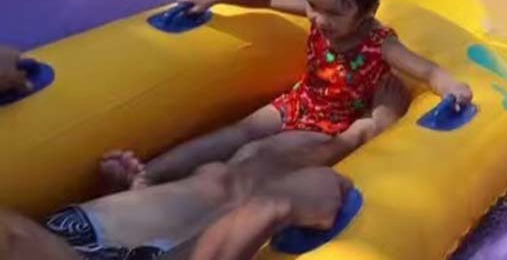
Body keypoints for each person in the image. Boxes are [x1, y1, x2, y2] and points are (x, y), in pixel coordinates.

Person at [101, 0, 472, 191]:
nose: (318, 18)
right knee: (237, 132)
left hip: (332, 128)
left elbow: (426, 70)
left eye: (333, 12)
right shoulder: (319, 13)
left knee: (259, 157)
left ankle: (196, 196)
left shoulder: (380, 44)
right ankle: (147, 175)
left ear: (368, 11)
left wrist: (454, 88)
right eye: (312, 5)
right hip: (298, 103)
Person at [1, 134, 368, 260]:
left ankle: (350, 138)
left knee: (221, 178)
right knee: (238, 189)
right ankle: (361, 138)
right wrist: (271, 207)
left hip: (68, 241)